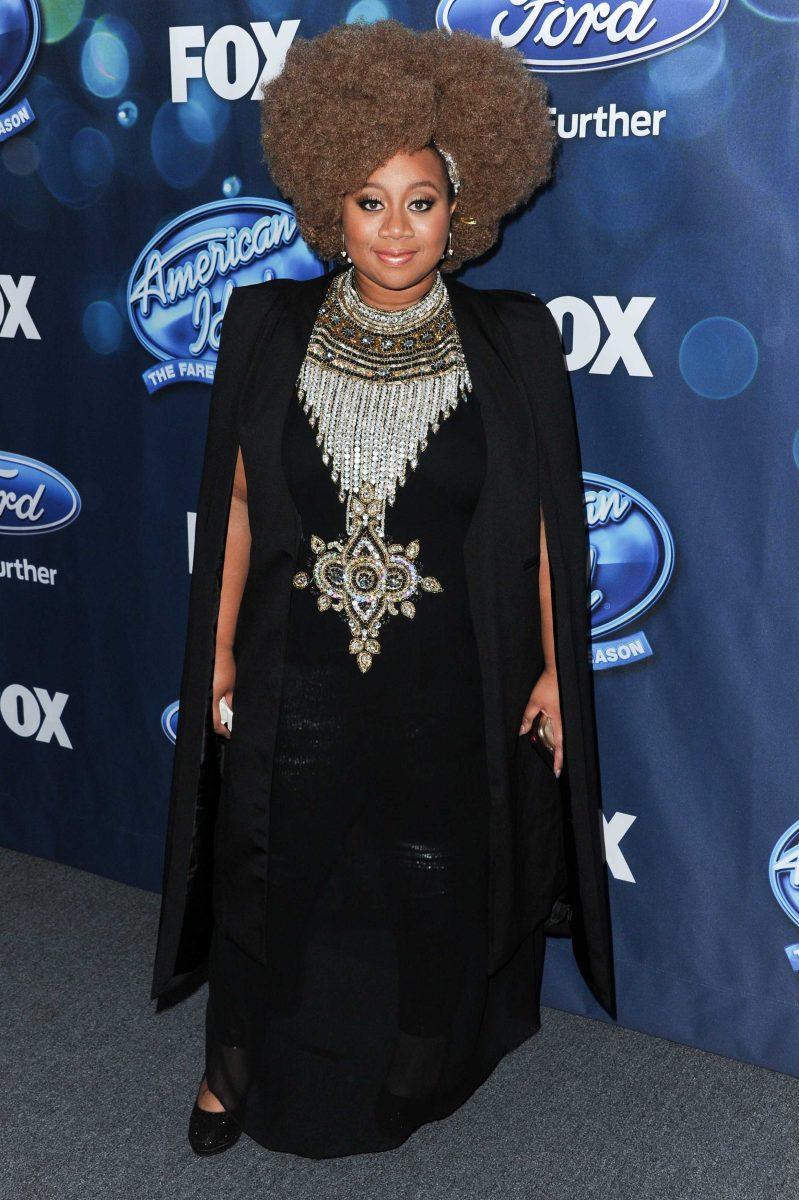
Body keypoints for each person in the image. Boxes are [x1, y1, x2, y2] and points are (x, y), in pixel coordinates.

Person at [150, 18, 617, 1160]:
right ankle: (234, 1069)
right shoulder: (264, 323)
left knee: (432, 886)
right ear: (328, 205)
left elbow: (553, 532)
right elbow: (245, 509)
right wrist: (213, 652)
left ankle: (416, 1061)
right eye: (370, 200)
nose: (396, 229)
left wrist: (559, 663)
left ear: (462, 209)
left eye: (421, 200)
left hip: (452, 680)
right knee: (274, 880)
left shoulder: (515, 342)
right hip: (292, 669)